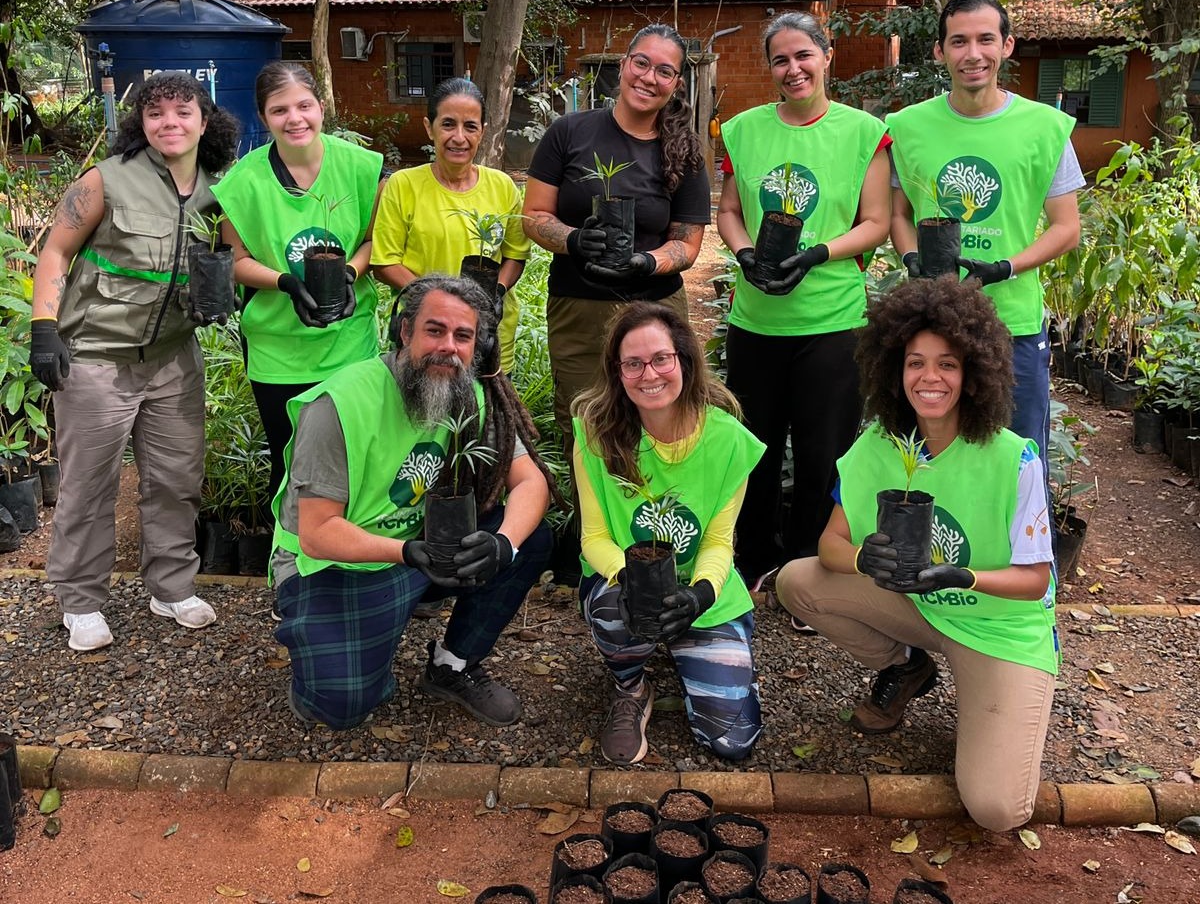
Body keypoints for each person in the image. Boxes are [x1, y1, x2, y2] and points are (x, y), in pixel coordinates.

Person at [775, 275, 1059, 832]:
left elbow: (1035, 581)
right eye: (914, 363)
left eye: (948, 364)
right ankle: (906, 667)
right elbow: (831, 544)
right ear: (893, 369)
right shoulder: (882, 444)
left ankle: (992, 698)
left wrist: (960, 575)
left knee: (997, 810)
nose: (929, 377)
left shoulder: (1011, 459)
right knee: (797, 580)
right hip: (919, 610)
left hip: (998, 628)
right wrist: (865, 561)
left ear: (974, 372)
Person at [270, 274, 557, 729]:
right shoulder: (341, 403)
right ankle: (336, 641)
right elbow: (317, 533)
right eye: (434, 330)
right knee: (341, 707)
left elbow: (531, 483)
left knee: (529, 538)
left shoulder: (471, 395)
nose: (449, 346)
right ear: (405, 332)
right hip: (337, 563)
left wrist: (502, 544)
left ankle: (453, 665)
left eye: (463, 336)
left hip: (422, 552)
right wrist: (405, 552)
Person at [29, 72, 240, 651]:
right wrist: (43, 329)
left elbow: (231, 260)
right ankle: (80, 601)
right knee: (88, 485)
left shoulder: (221, 189)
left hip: (174, 358)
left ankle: (171, 587)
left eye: (182, 112)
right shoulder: (105, 180)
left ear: (204, 120)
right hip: (97, 357)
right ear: (140, 123)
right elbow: (55, 251)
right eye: (156, 113)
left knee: (175, 480)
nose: (169, 123)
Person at [716, 11, 891, 589]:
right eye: (780, 60)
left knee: (825, 456)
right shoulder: (742, 130)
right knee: (754, 452)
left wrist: (819, 253)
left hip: (832, 323)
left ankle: (809, 571)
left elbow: (876, 223)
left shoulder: (865, 133)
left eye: (803, 56)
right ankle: (751, 563)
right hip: (756, 322)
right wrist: (743, 254)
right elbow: (730, 213)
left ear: (827, 55)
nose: (793, 69)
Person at [887, 0, 1084, 480]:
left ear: (1007, 45)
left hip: (1011, 324)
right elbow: (897, 215)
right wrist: (912, 259)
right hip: (931, 324)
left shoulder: (1045, 129)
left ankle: (1029, 560)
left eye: (985, 40)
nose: (972, 54)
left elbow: (1067, 228)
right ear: (939, 51)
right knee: (929, 467)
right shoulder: (907, 126)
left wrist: (1006, 267)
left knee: (1020, 465)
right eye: (958, 41)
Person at [572, 302, 766, 764]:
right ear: (617, 372)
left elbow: (720, 541)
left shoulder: (728, 440)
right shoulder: (596, 433)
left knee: (732, 742)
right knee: (613, 610)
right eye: (632, 363)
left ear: (683, 359)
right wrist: (633, 579)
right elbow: (594, 537)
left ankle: (700, 650)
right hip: (624, 586)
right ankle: (632, 687)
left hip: (701, 586)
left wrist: (700, 594)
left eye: (661, 358)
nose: (649, 374)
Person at [523, 23, 710, 449]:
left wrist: (647, 261)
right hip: (579, 306)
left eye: (664, 71)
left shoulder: (684, 149)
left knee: (659, 416)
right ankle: (589, 515)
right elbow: (533, 215)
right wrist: (573, 240)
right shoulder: (568, 132)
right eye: (641, 63)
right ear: (624, 64)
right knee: (583, 421)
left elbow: (688, 243)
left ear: (676, 83)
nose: (649, 77)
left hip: (656, 306)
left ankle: (655, 511)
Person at [214, 61, 385, 507]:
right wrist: (285, 281)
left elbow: (371, 239)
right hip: (278, 348)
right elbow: (235, 260)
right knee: (289, 462)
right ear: (263, 117)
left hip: (349, 340)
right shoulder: (242, 182)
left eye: (304, 105)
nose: (295, 119)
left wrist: (349, 272)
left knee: (355, 455)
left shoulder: (360, 168)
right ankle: (290, 567)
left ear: (322, 107)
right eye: (279, 110)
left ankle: (352, 560)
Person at [371, 78, 530, 373]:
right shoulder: (403, 186)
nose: (459, 137)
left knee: (487, 413)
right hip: (426, 332)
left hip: (488, 332)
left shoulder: (503, 187)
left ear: (483, 131)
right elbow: (384, 262)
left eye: (470, 126)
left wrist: (497, 291)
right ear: (429, 127)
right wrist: (439, 302)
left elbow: (515, 255)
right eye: (447, 124)